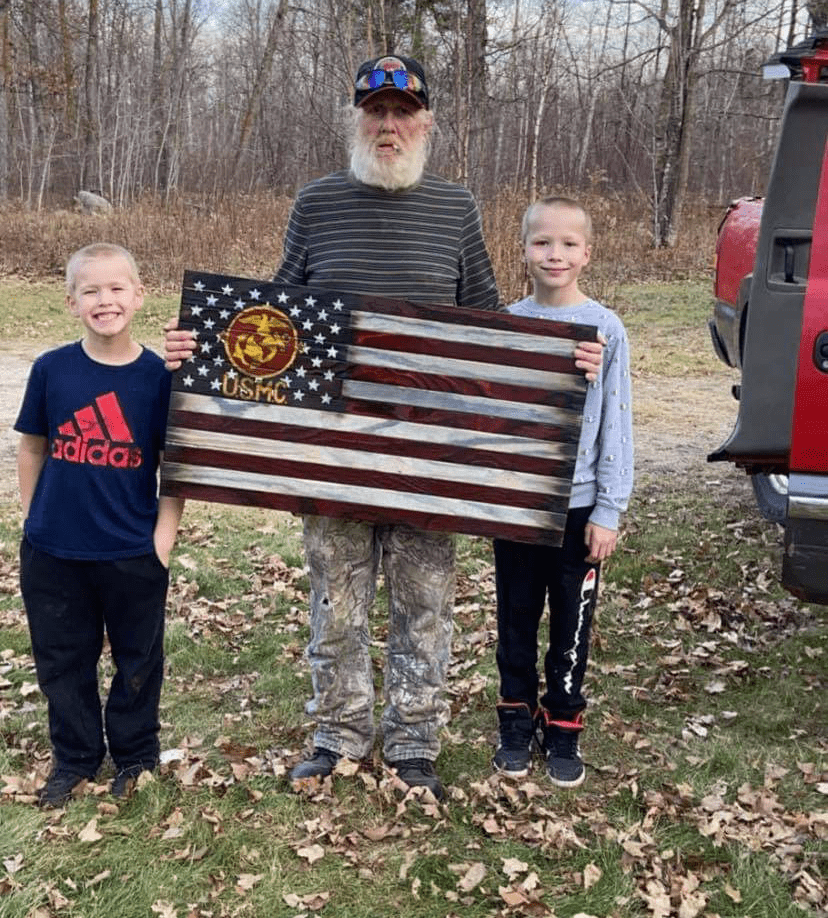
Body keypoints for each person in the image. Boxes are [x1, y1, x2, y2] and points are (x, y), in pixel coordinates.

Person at [164, 57, 603, 801]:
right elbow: (274, 318)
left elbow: (488, 325)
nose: (389, 126)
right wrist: (200, 345)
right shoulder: (317, 203)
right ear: (357, 120)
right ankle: (337, 734)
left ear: (426, 122)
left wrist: (561, 357)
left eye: (403, 112)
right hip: (330, 456)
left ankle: (413, 742)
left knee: (424, 604)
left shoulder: (455, 207)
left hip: (431, 458)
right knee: (335, 601)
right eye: (376, 112)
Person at [15, 243, 184, 806]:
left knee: (138, 660)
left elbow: (174, 468)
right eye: (90, 290)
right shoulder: (52, 369)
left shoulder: (159, 379)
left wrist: (163, 539)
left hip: (132, 550)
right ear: (72, 302)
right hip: (54, 551)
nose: (104, 300)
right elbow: (32, 447)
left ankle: (135, 756)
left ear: (139, 296)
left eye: (116, 288)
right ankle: (75, 758)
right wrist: (33, 518)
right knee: (63, 661)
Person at [492, 196, 633, 788]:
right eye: (542, 242)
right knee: (516, 616)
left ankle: (564, 722)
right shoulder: (507, 321)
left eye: (569, 244)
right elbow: (492, 411)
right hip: (521, 504)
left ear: (587, 254)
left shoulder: (605, 329)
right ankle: (515, 718)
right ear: (524, 250)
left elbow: (617, 422)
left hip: (578, 508)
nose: (555, 254)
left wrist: (608, 508)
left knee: (571, 622)